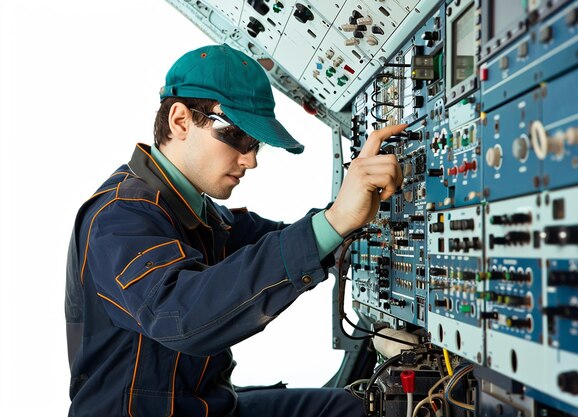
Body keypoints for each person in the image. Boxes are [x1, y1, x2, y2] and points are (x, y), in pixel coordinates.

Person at [65, 43, 406, 417]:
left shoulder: (200, 215)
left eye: (255, 142)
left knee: (355, 409)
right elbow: (182, 315)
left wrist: (354, 220)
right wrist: (336, 220)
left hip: (204, 406)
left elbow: (291, 241)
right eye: (237, 137)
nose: (251, 159)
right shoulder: (121, 215)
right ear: (180, 121)